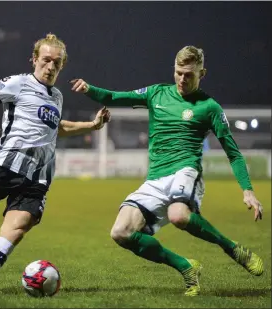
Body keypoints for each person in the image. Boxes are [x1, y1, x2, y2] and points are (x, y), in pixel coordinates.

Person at [70, 46, 264, 296]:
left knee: (179, 216)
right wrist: (89, 89)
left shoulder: (209, 107)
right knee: (121, 232)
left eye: (189, 75)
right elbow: (114, 98)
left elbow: (233, 152)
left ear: (202, 73)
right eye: (178, 73)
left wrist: (247, 190)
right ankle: (186, 267)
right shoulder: (156, 93)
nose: (182, 79)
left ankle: (232, 248)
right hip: (155, 178)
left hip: (185, 170)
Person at [0, 33, 111, 297]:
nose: (51, 67)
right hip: (5, 167)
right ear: (35, 59)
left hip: (38, 178)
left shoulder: (57, 97)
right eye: (46, 60)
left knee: (16, 229)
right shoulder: (16, 84)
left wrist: (92, 126)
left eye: (57, 63)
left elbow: (56, 128)